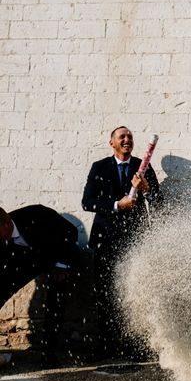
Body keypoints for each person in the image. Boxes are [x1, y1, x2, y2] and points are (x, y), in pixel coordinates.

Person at [82, 125, 162, 360]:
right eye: (122, 137)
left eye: (130, 136)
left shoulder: (142, 167)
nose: (127, 140)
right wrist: (118, 205)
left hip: (134, 242)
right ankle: (106, 346)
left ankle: (134, 346)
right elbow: (87, 202)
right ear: (112, 143)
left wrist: (146, 189)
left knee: (133, 293)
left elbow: (157, 202)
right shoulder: (99, 167)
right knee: (106, 294)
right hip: (105, 241)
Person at [0, 204, 79, 366]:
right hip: (22, 261)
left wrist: (62, 265)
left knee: (56, 297)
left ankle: (48, 353)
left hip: (53, 257)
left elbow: (71, 231)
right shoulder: (3, 237)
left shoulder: (37, 214)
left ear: (6, 224)